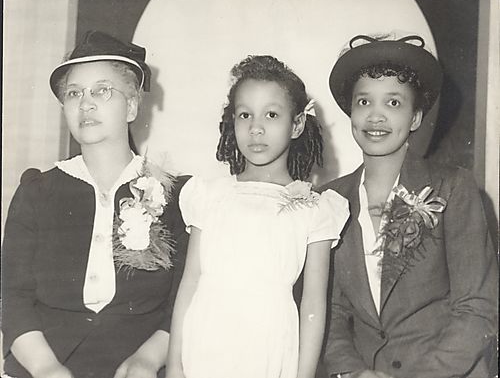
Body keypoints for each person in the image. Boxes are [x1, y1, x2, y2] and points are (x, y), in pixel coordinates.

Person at [2, 31, 190, 378]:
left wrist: (149, 359)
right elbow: (13, 297)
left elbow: (181, 300)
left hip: (137, 366)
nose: (85, 103)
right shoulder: (37, 191)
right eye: (74, 94)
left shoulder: (177, 196)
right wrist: (46, 369)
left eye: (102, 91)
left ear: (132, 106)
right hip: (44, 363)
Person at [320, 33, 498, 378]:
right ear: (351, 113)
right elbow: (333, 314)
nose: (375, 116)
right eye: (364, 102)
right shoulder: (330, 201)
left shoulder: (454, 187)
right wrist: (354, 372)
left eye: (394, 103)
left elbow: (478, 308)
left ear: (416, 118)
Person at [164, 55, 349, 378]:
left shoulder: (316, 209)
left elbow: (313, 305)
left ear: (297, 124)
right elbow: (190, 282)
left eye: (272, 114)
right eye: (245, 114)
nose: (256, 128)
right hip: (205, 341)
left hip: (269, 346)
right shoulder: (210, 195)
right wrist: (176, 363)